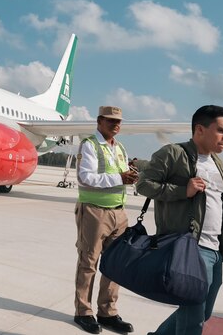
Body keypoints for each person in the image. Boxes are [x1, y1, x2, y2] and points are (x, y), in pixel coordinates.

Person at [137, 105, 223, 335]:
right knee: (192, 321)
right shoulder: (172, 154)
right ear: (200, 129)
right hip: (189, 248)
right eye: (221, 130)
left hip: (215, 250)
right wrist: (183, 191)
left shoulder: (219, 164)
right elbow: (143, 184)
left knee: (202, 312)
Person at [73, 106, 137, 334]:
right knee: (88, 262)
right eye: (111, 121)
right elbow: (85, 177)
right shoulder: (90, 144)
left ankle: (107, 312)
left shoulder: (119, 147)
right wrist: (120, 177)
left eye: (119, 121)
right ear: (99, 121)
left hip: (119, 212)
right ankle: (83, 311)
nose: (116, 125)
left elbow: (118, 176)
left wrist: (129, 173)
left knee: (114, 264)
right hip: (95, 212)